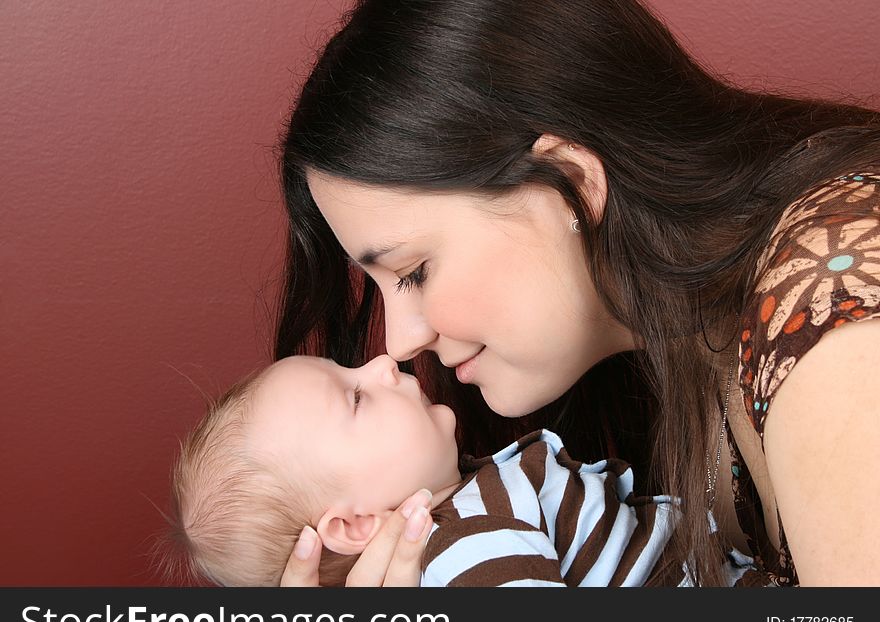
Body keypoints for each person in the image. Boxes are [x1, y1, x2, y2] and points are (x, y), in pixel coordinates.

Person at [275, 0, 880, 587]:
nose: (401, 342)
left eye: (414, 271)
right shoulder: (670, 354)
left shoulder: (830, 307)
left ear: (569, 182)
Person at [165, 353, 688, 587]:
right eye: (356, 397)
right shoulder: (463, 552)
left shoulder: (470, 507)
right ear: (353, 525)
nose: (382, 363)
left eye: (347, 365)